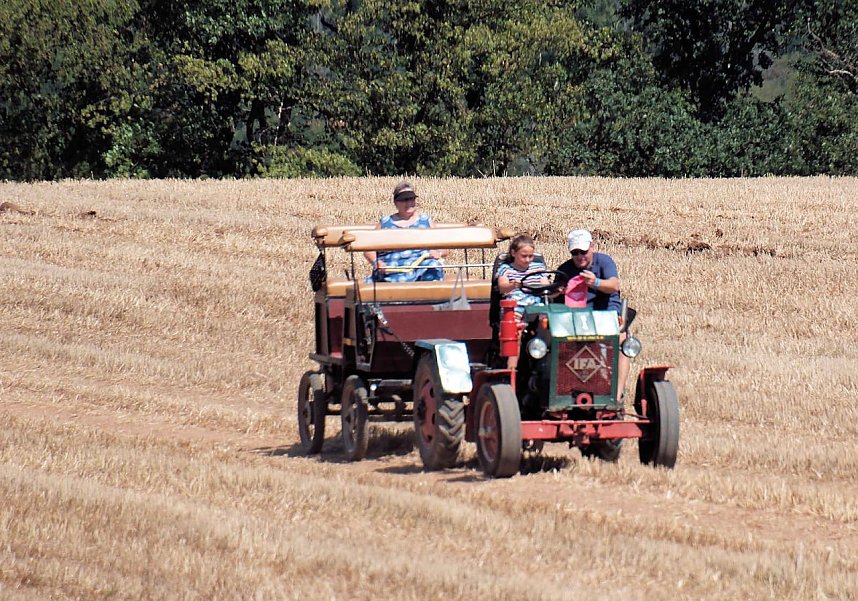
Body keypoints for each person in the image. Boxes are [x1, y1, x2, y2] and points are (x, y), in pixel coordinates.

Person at [556, 229, 629, 400]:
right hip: (576, 319)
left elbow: (614, 285)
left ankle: (616, 396)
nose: (580, 256)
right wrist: (558, 291)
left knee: (623, 343)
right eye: (575, 252)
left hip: (605, 315)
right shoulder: (565, 270)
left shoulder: (604, 262)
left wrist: (595, 282)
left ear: (592, 247)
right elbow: (554, 299)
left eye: (583, 251)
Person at [364, 181, 446, 282]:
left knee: (433, 268)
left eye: (411, 199)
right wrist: (377, 262)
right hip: (391, 269)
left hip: (422, 266)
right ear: (395, 202)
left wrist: (438, 253)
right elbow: (368, 249)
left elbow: (444, 247)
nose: (409, 203)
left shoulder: (426, 221)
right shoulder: (385, 223)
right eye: (404, 199)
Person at [496, 234, 549, 368]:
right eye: (524, 256)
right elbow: (502, 287)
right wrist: (513, 285)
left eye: (530, 256)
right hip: (516, 306)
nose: (528, 260)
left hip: (536, 305)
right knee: (515, 332)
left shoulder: (537, 268)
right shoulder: (506, 269)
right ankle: (511, 369)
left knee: (552, 327)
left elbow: (546, 286)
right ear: (514, 253)